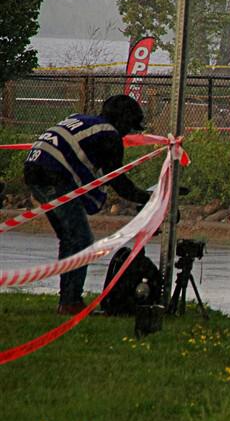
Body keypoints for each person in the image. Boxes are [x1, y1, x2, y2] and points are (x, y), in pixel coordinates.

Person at [23, 95, 150, 315]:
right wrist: (147, 197)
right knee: (81, 240)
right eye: (129, 128)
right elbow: (117, 180)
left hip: (35, 171)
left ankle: (68, 300)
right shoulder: (109, 134)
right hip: (53, 175)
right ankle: (71, 301)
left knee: (70, 238)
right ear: (122, 120)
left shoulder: (83, 121)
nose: (127, 134)